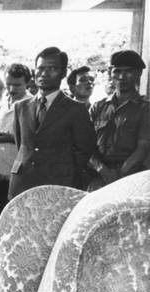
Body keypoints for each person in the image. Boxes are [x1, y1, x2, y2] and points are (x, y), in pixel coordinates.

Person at [8, 46, 96, 199]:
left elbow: (84, 150)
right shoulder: (20, 107)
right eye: (40, 68)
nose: (44, 73)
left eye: (52, 68)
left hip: (58, 186)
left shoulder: (76, 109)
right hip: (22, 185)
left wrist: (63, 171)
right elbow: (21, 145)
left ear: (63, 73)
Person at [87, 50, 148, 190]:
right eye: (117, 71)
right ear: (110, 73)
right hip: (98, 177)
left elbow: (143, 148)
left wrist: (118, 175)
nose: (122, 77)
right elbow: (85, 145)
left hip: (132, 180)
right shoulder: (98, 107)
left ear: (138, 74)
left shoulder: (145, 109)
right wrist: (101, 169)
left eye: (128, 71)